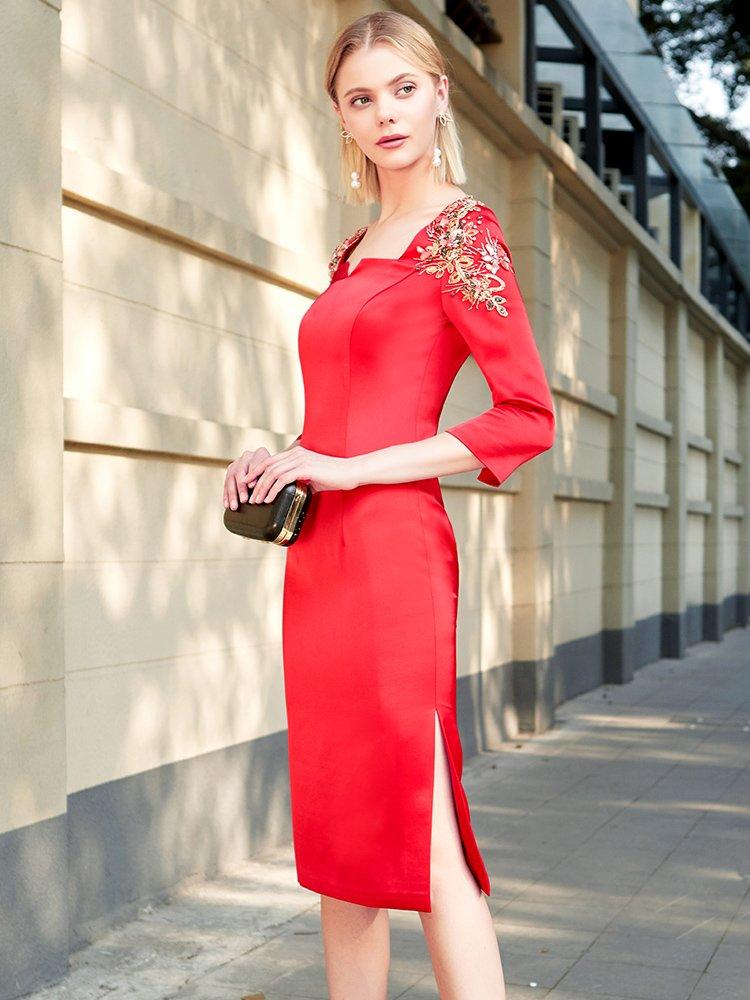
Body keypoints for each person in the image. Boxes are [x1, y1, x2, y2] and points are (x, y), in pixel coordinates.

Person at [222, 11, 555, 999]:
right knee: (341, 853)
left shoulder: (464, 237)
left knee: (424, 838)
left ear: (440, 92)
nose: (385, 112)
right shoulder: (354, 248)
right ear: (342, 118)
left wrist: (355, 471)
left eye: (401, 89)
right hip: (319, 565)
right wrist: (279, 457)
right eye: (361, 98)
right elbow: (339, 417)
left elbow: (523, 417)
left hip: (396, 562)